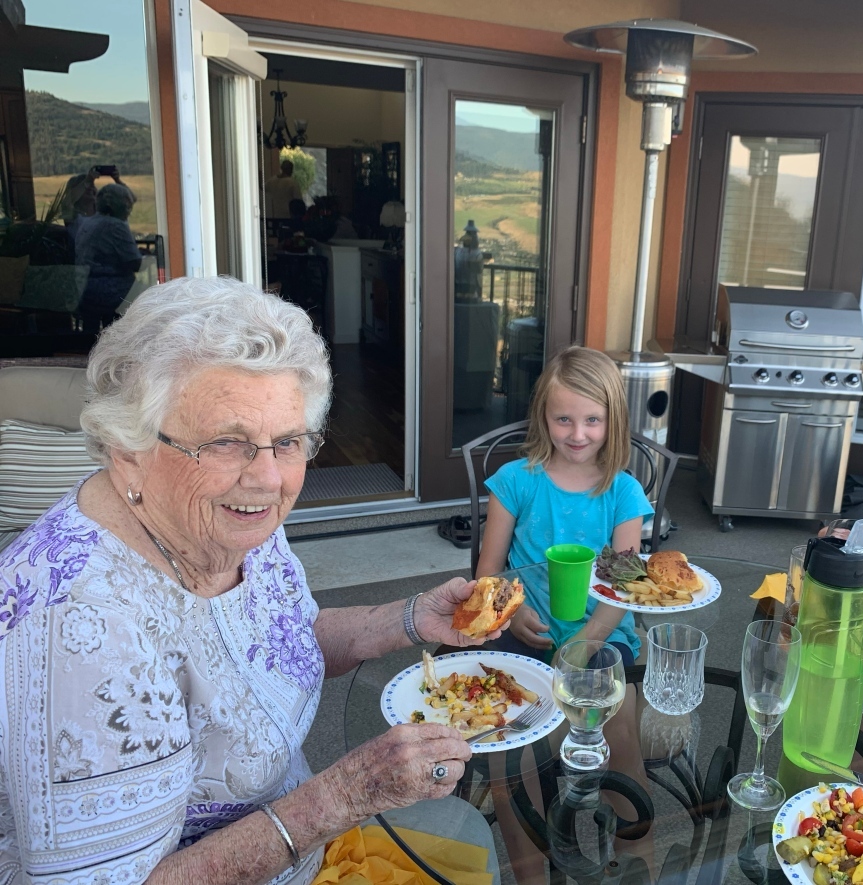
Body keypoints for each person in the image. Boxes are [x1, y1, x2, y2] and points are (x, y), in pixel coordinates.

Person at [0, 276, 502, 884]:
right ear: (126, 447)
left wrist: (408, 617)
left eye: (287, 440)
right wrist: (343, 796)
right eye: (226, 442)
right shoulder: (79, 627)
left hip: (302, 853)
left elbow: (279, 640)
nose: (268, 478)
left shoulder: (230, 520)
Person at [475, 345, 654, 884]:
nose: (578, 433)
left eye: (593, 420)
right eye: (564, 419)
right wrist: (516, 607)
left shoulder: (622, 492)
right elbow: (488, 575)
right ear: (544, 417)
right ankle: (531, 872)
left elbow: (623, 589)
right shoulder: (517, 481)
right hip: (523, 631)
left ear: (612, 420)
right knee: (514, 743)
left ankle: (637, 856)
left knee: (620, 726)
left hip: (601, 631)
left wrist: (587, 640)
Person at [75, 182, 142, 329]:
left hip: (85, 289)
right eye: (127, 206)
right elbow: (135, 263)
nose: (128, 211)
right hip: (109, 292)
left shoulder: (88, 222)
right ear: (118, 206)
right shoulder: (115, 226)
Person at [453, 220, 485, 302]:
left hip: (457, 288)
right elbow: (478, 273)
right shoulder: (477, 254)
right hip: (471, 289)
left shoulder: (457, 252)